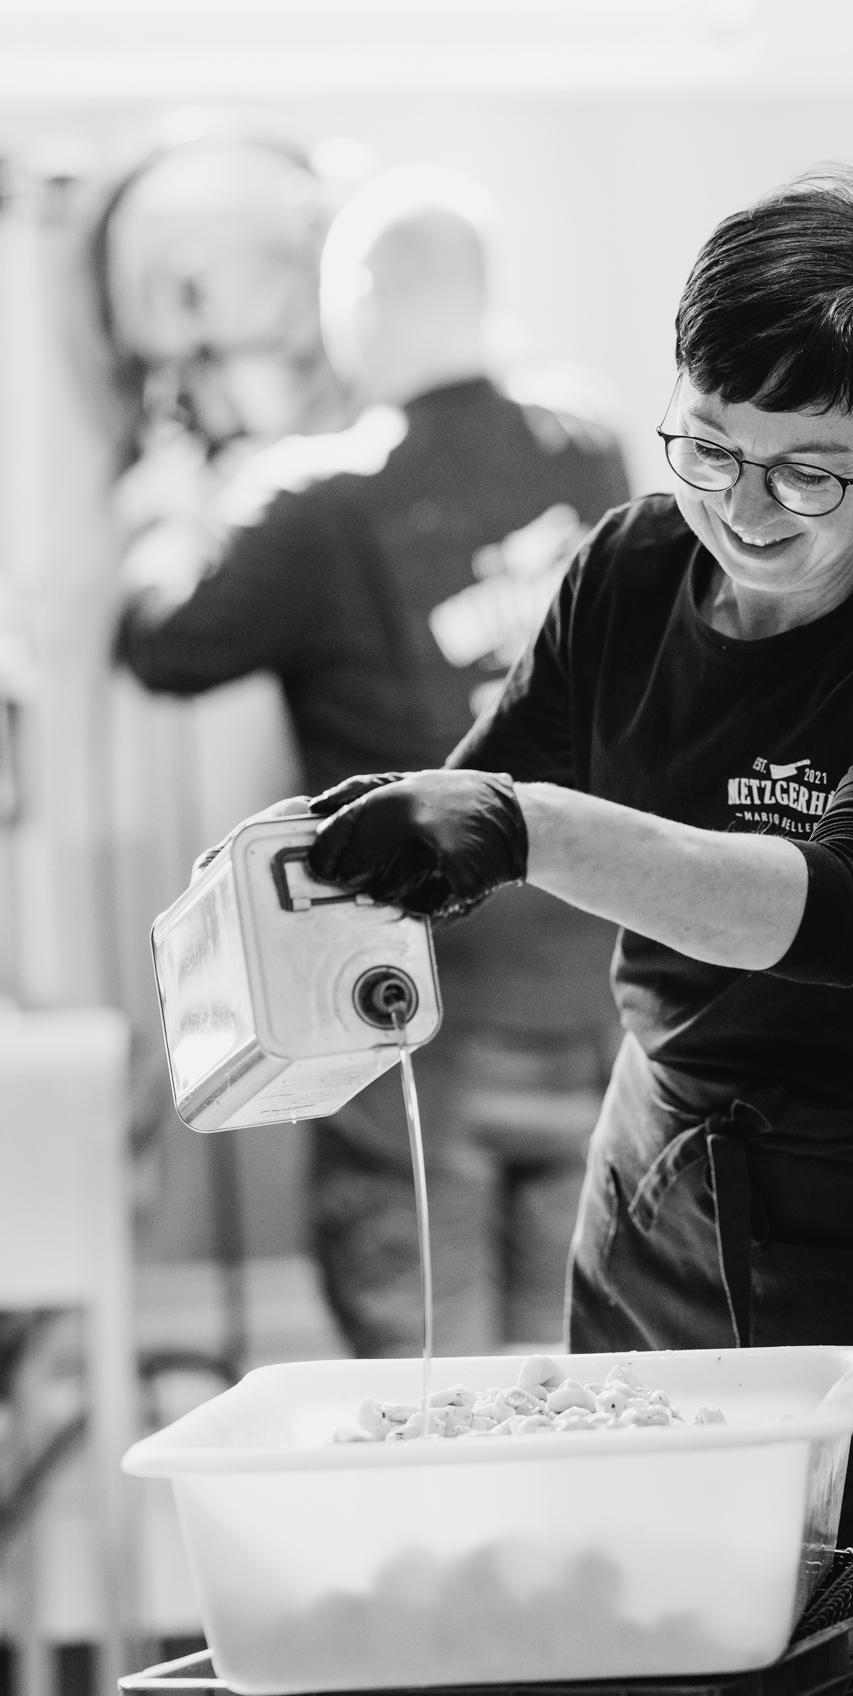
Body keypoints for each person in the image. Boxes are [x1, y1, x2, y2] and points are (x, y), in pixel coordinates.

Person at [301, 166, 853, 1547]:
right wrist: (335, 889)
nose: (747, 508)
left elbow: (842, 909)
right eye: (708, 448)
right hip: (655, 1178)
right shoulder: (632, 568)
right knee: (639, 1570)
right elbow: (487, 791)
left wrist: (530, 827)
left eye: (808, 470)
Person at [117, 164, 630, 1355]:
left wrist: (166, 512)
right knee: (564, 1380)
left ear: (355, 304)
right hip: (589, 993)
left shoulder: (319, 500)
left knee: (424, 1388)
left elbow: (167, 645)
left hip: (414, 1020)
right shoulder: (589, 448)